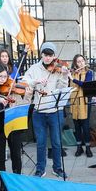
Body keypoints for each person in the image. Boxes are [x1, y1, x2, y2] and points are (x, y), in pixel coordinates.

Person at [23, 42, 69, 178]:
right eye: (45, 55)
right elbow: (24, 80)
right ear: (41, 54)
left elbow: (62, 87)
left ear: (54, 56)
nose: (48, 58)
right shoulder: (34, 68)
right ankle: (40, 169)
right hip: (39, 111)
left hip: (55, 111)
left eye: (50, 55)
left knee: (56, 142)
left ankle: (57, 168)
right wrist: (36, 81)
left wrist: (65, 76)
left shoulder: (57, 69)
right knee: (41, 142)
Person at [0, 63, 27, 191]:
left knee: (16, 153)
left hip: (13, 125)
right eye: (0, 77)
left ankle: (17, 179)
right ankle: (3, 182)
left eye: (5, 76)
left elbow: (23, 103)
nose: (3, 80)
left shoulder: (12, 87)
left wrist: (16, 101)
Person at [68, 54, 94, 158]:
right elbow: (67, 87)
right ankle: (79, 147)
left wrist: (73, 79)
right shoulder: (72, 73)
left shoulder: (89, 72)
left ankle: (87, 147)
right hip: (74, 101)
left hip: (85, 101)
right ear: (75, 63)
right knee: (77, 125)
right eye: (78, 62)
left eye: (82, 61)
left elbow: (85, 84)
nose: (81, 63)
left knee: (85, 125)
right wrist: (67, 76)